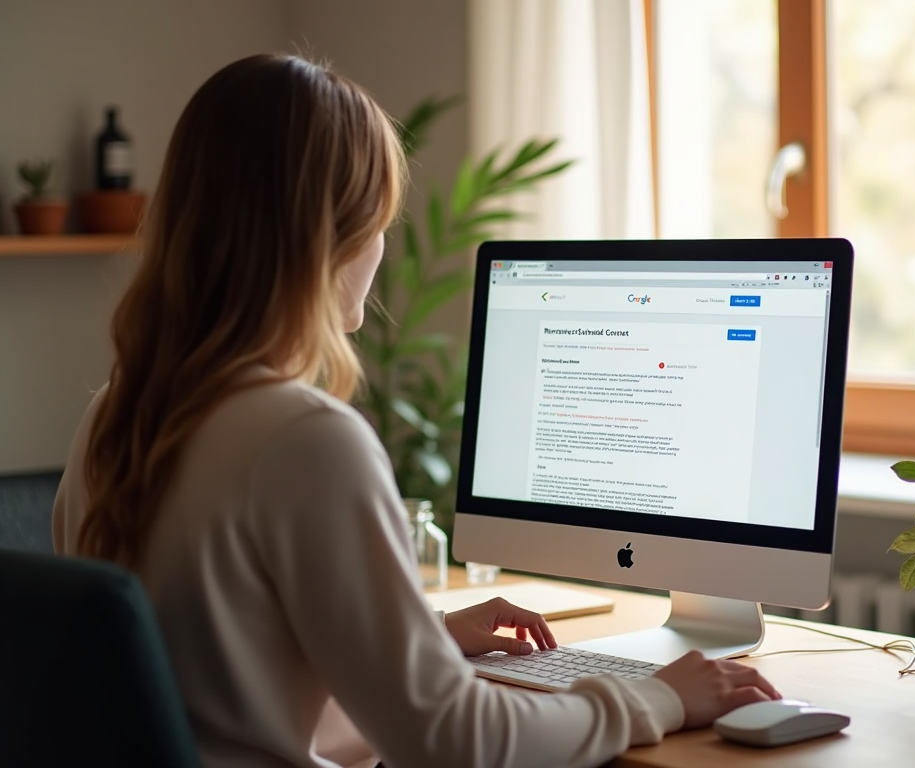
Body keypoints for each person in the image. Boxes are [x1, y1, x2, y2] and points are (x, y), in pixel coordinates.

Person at [52, 53, 780, 768]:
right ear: (328, 239)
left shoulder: (117, 416)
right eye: (379, 224)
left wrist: (419, 639)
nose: (380, 249)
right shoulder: (301, 439)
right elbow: (450, 740)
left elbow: (220, 675)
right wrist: (654, 701)